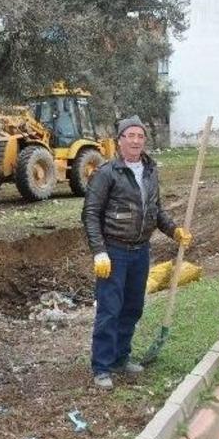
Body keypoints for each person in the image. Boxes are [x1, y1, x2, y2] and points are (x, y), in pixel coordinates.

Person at [82, 115, 192, 390]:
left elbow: (155, 210)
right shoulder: (107, 173)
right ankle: (102, 366)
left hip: (140, 251)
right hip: (114, 252)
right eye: (130, 136)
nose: (135, 141)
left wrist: (174, 230)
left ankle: (121, 358)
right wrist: (99, 252)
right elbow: (90, 214)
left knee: (132, 307)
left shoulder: (151, 170)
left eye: (140, 136)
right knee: (110, 309)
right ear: (119, 141)